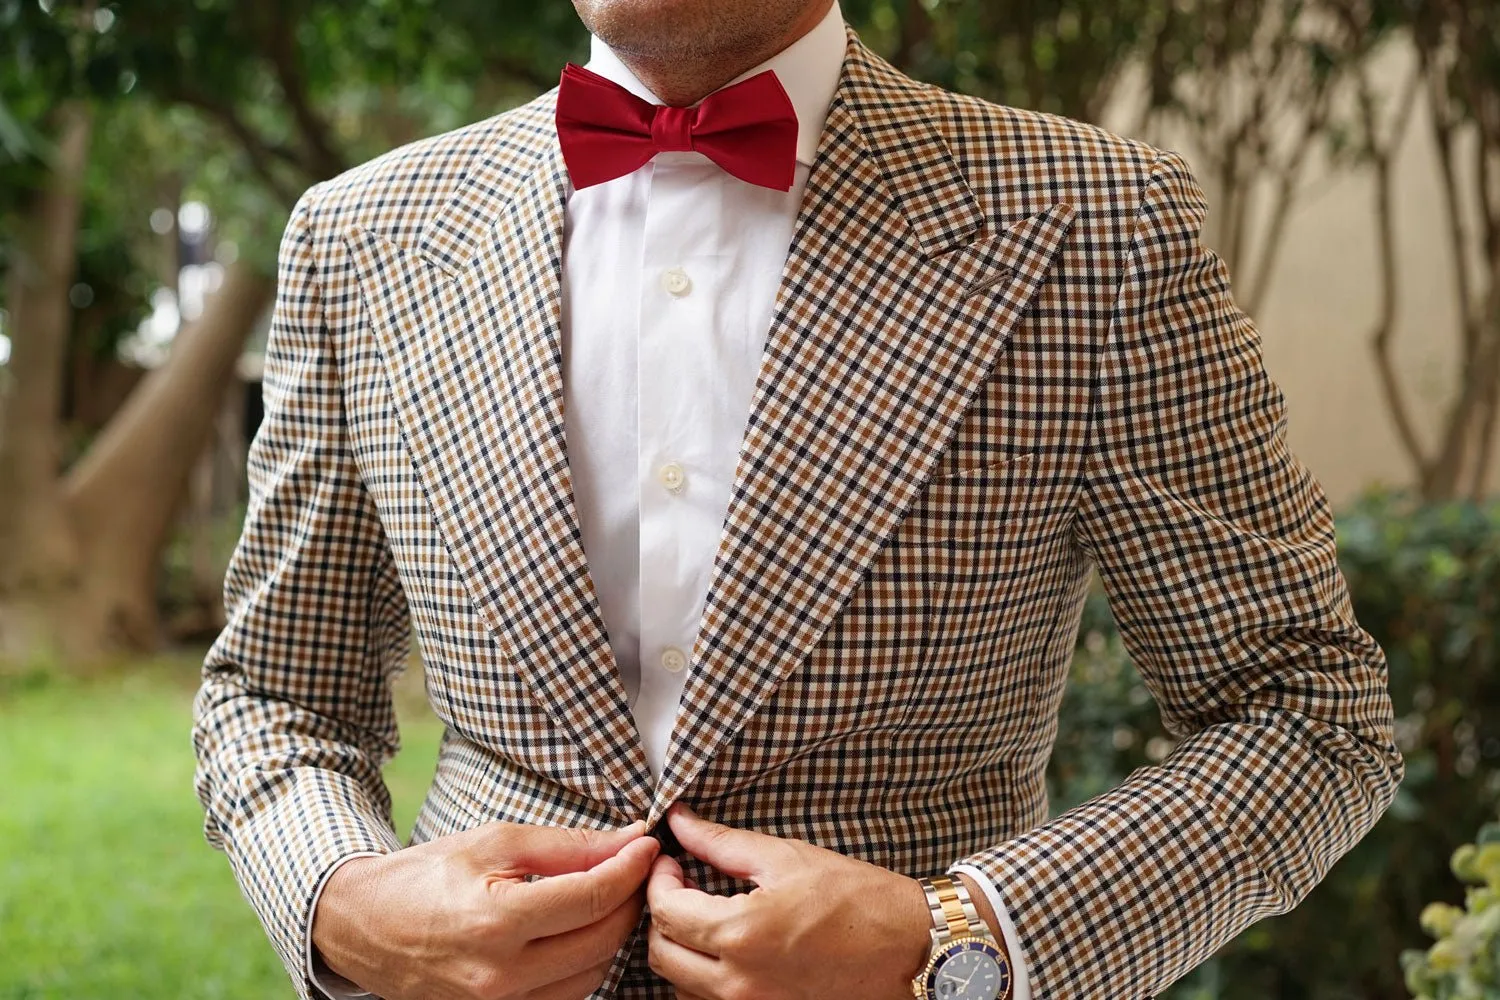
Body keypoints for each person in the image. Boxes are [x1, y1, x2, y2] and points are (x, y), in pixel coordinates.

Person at [191, 0, 1403, 997]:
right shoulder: (360, 238)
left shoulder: (1093, 225)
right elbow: (276, 695)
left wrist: (960, 935)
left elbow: (1304, 709)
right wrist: (343, 899)